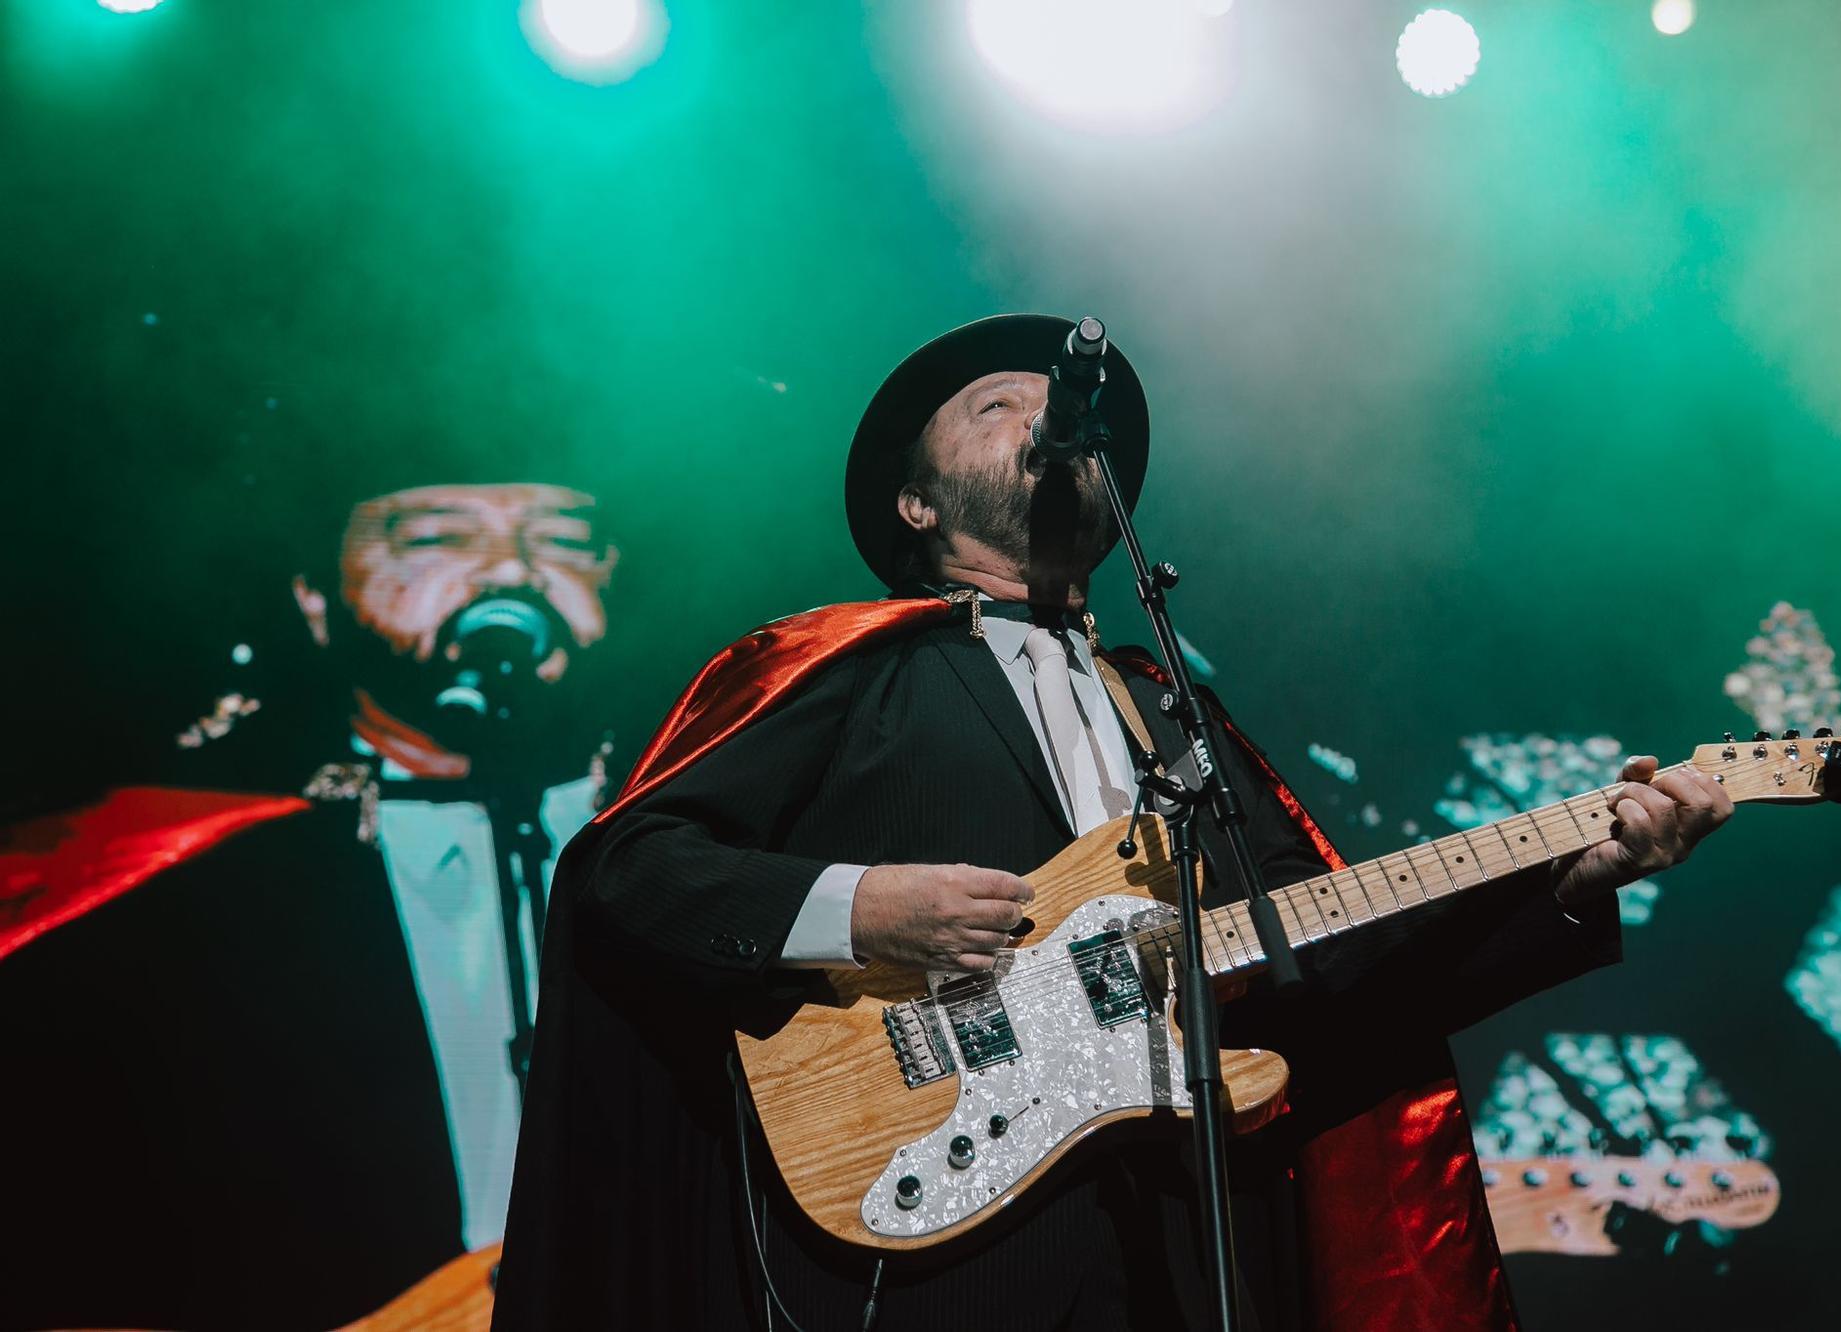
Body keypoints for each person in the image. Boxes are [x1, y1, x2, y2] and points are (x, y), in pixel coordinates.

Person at [492, 316, 1733, 1332]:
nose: (1042, 418)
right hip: (934, 1240)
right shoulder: (841, 669)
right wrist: (860, 909)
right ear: (916, 507)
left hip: (1187, 1242)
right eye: (995, 406)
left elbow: (1330, 959)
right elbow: (629, 873)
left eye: (1059, 410)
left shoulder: (1171, 713)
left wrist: (1577, 875)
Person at [0, 481, 622, 1328]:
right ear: (317, 596)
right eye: (440, 537)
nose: (510, 571)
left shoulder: (711, 820)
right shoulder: (189, 889)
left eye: (560, 539)